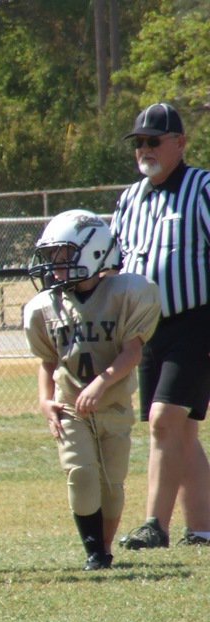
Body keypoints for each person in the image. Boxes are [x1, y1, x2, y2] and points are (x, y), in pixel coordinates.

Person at [24, 210, 161, 569]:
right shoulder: (46, 306)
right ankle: (93, 553)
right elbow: (47, 362)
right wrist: (44, 400)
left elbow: (133, 352)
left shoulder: (127, 293)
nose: (54, 267)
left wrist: (102, 383)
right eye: (51, 257)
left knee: (112, 486)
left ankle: (104, 547)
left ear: (94, 252)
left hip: (113, 404)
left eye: (62, 256)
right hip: (69, 404)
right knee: (80, 473)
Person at [110, 102, 210, 549]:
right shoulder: (130, 200)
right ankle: (205, 529)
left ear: (180, 143)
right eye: (139, 143)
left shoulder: (203, 187)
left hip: (196, 321)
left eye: (154, 140)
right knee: (180, 429)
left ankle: (154, 524)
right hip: (149, 329)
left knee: (164, 421)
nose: (144, 150)